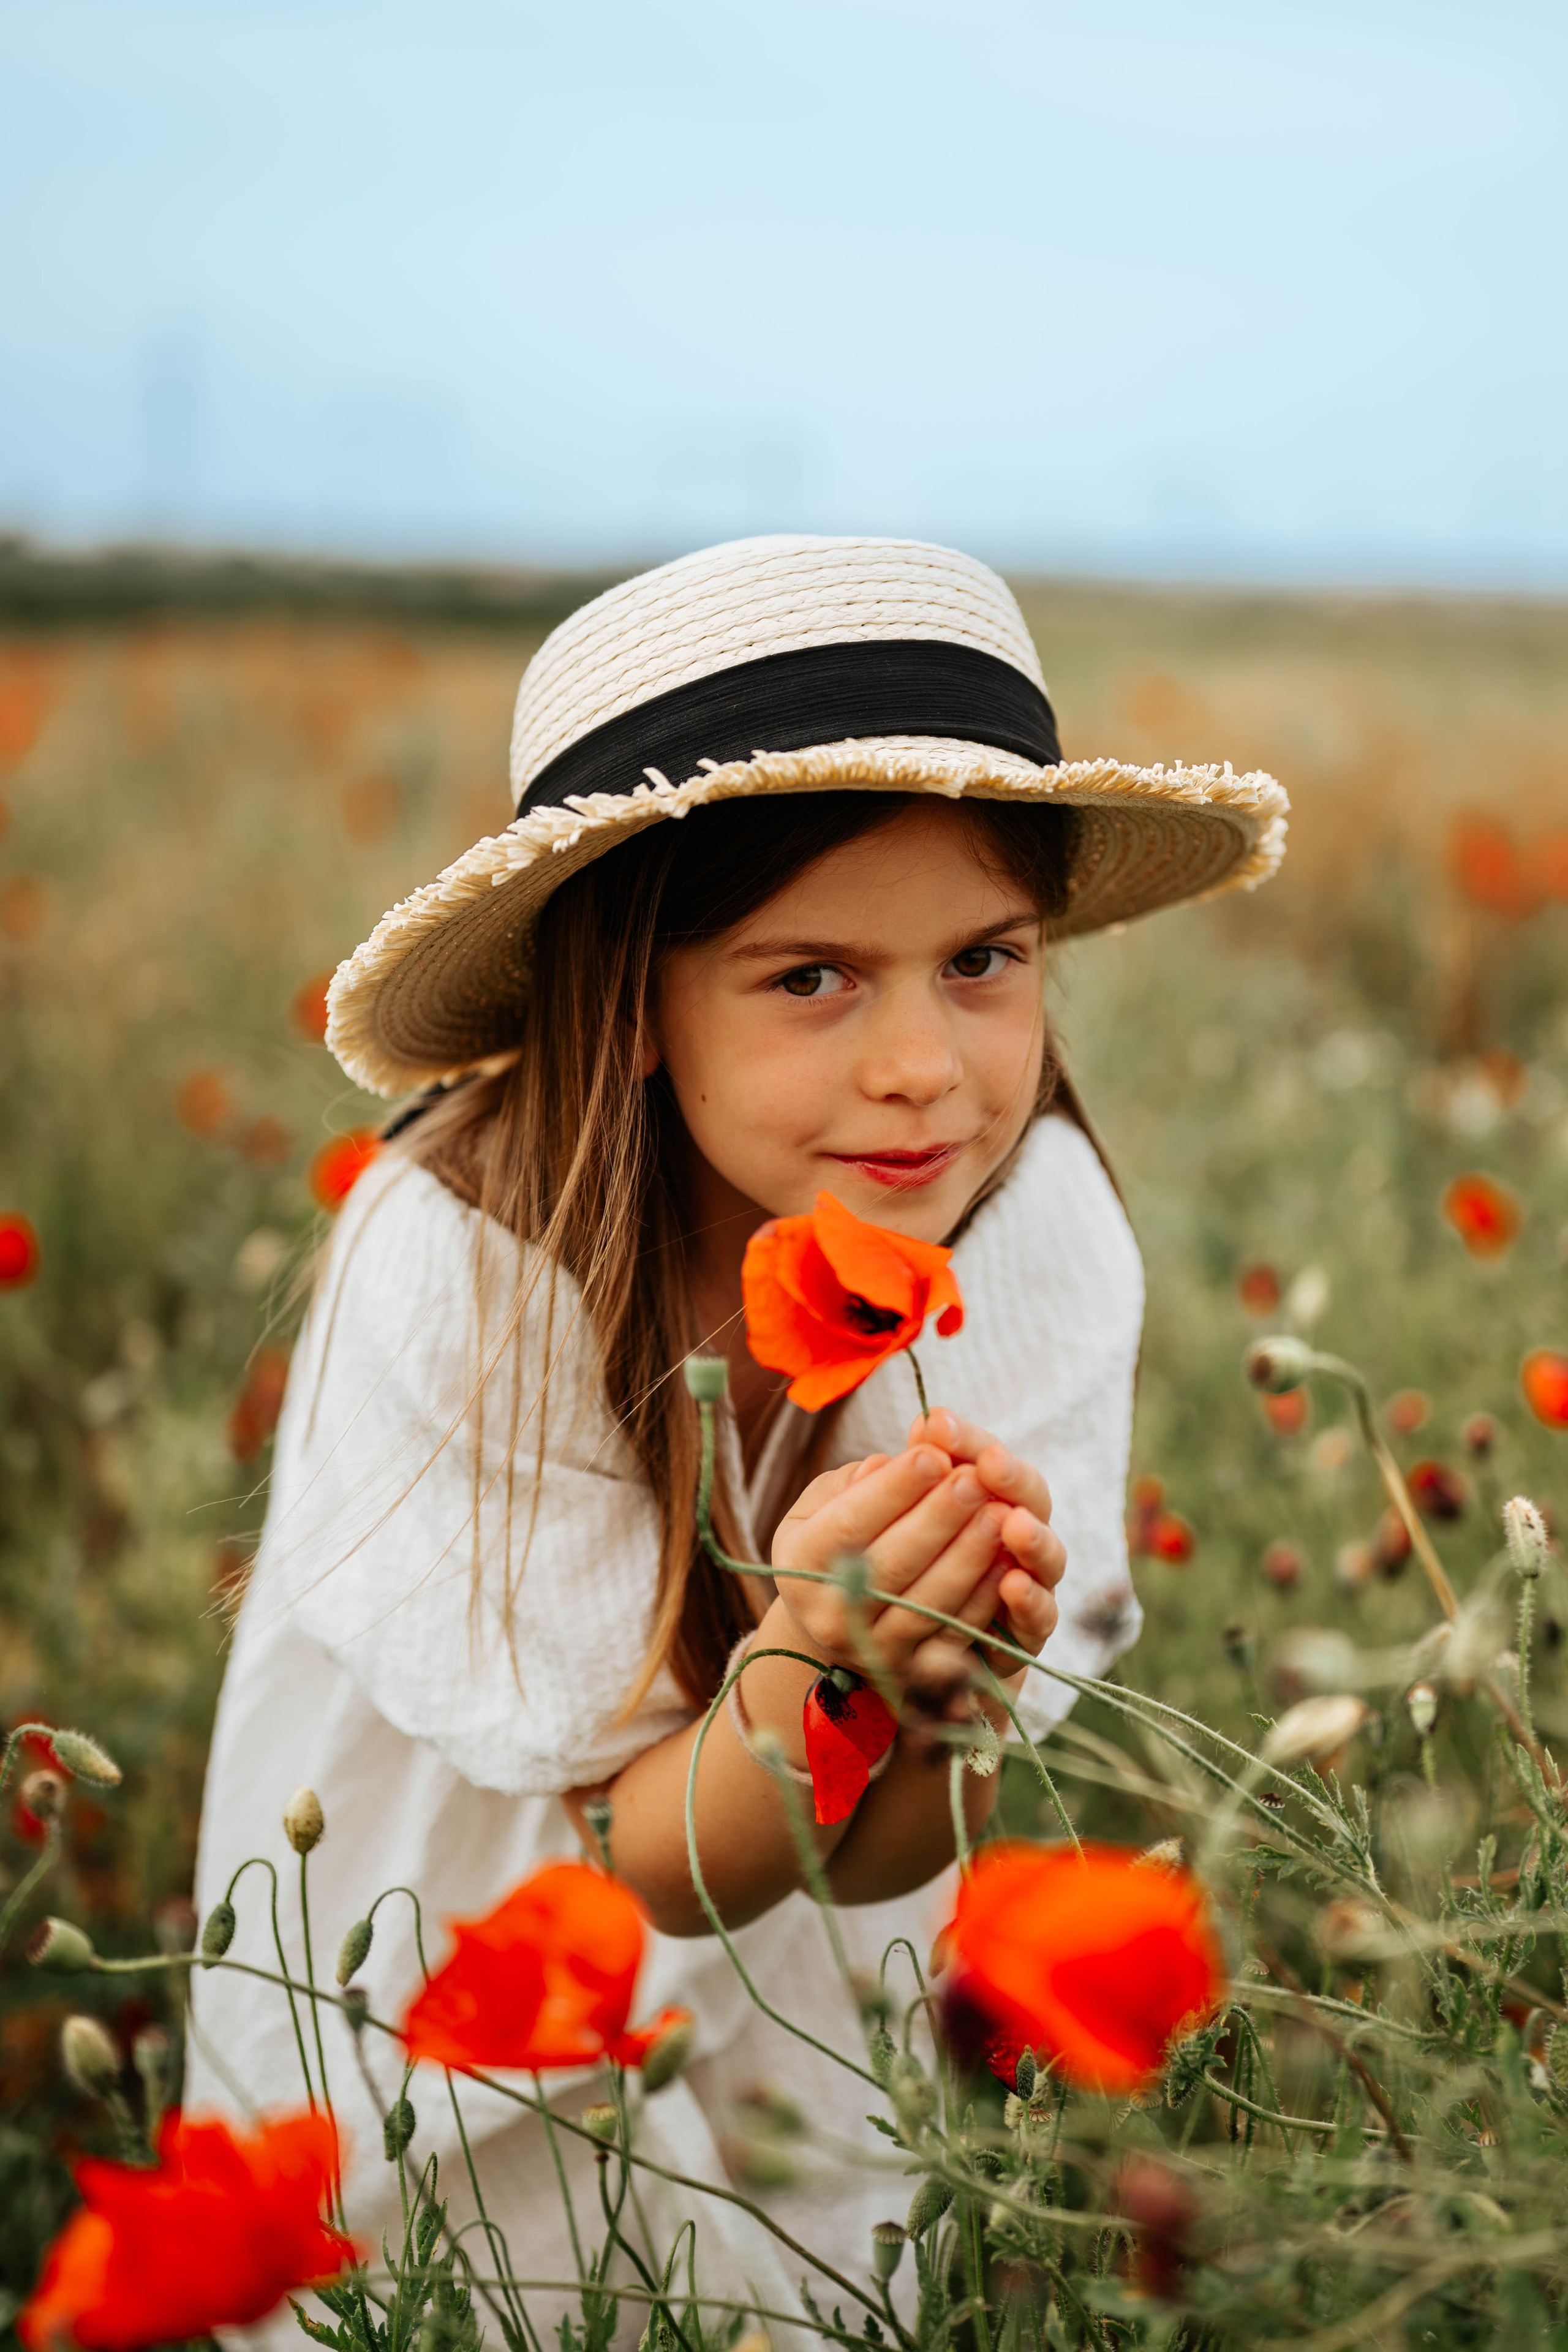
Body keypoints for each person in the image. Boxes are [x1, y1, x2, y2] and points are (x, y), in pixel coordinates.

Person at [187, 534, 1286, 2336]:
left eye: (983, 960)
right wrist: (814, 1661)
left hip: (797, 1972)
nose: (925, 1064)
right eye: (812, 978)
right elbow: (636, 1859)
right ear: (630, 999)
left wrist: (939, 1681)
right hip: (465, 1957)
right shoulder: (467, 1267)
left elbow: (887, 1854)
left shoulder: (1035, 1234)